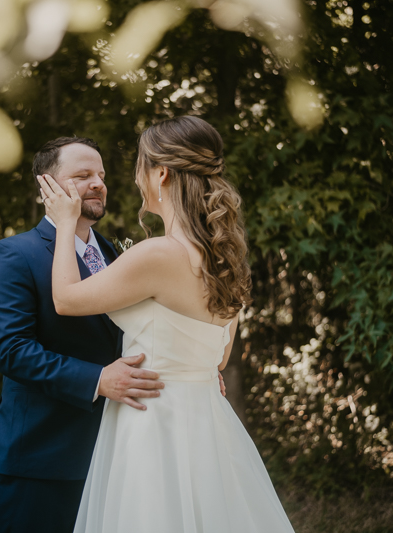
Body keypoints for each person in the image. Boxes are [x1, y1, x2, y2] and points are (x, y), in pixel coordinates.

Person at [38, 116, 296, 532]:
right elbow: (220, 357)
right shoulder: (226, 258)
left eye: (140, 167)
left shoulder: (158, 254)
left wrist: (66, 222)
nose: (136, 180)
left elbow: (65, 300)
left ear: (160, 174)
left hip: (154, 421)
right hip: (208, 421)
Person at [0, 136, 166, 533]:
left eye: (101, 174)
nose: (98, 183)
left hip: (112, 454)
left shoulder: (115, 253)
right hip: (39, 458)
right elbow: (12, 351)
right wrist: (98, 379)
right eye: (83, 175)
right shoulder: (14, 255)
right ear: (48, 187)